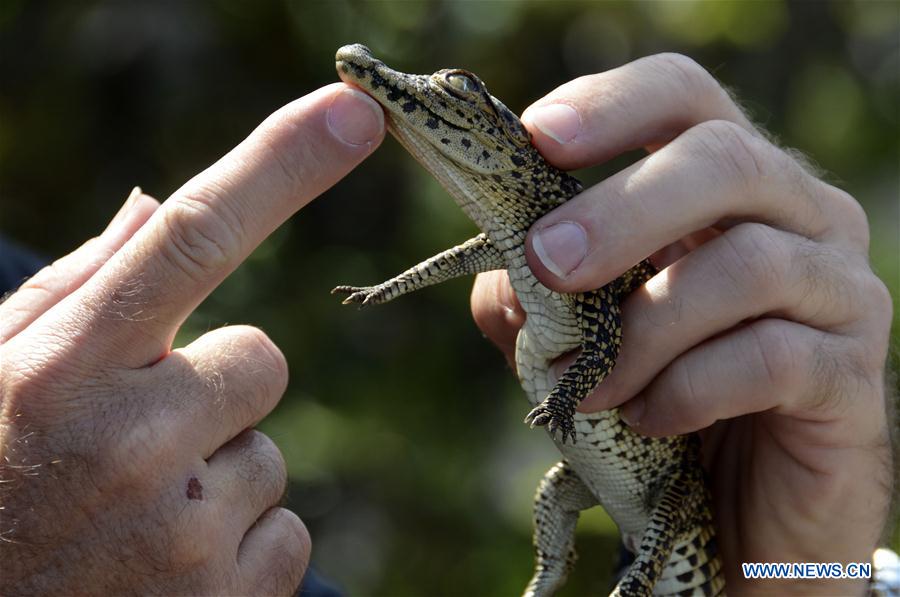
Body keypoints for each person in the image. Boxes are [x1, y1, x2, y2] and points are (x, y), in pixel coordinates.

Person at [0, 54, 893, 595]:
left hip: (666, 496)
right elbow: (452, 262)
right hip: (613, 466)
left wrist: (819, 574)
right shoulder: (88, 472)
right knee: (552, 504)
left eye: (456, 90)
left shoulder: (91, 452)